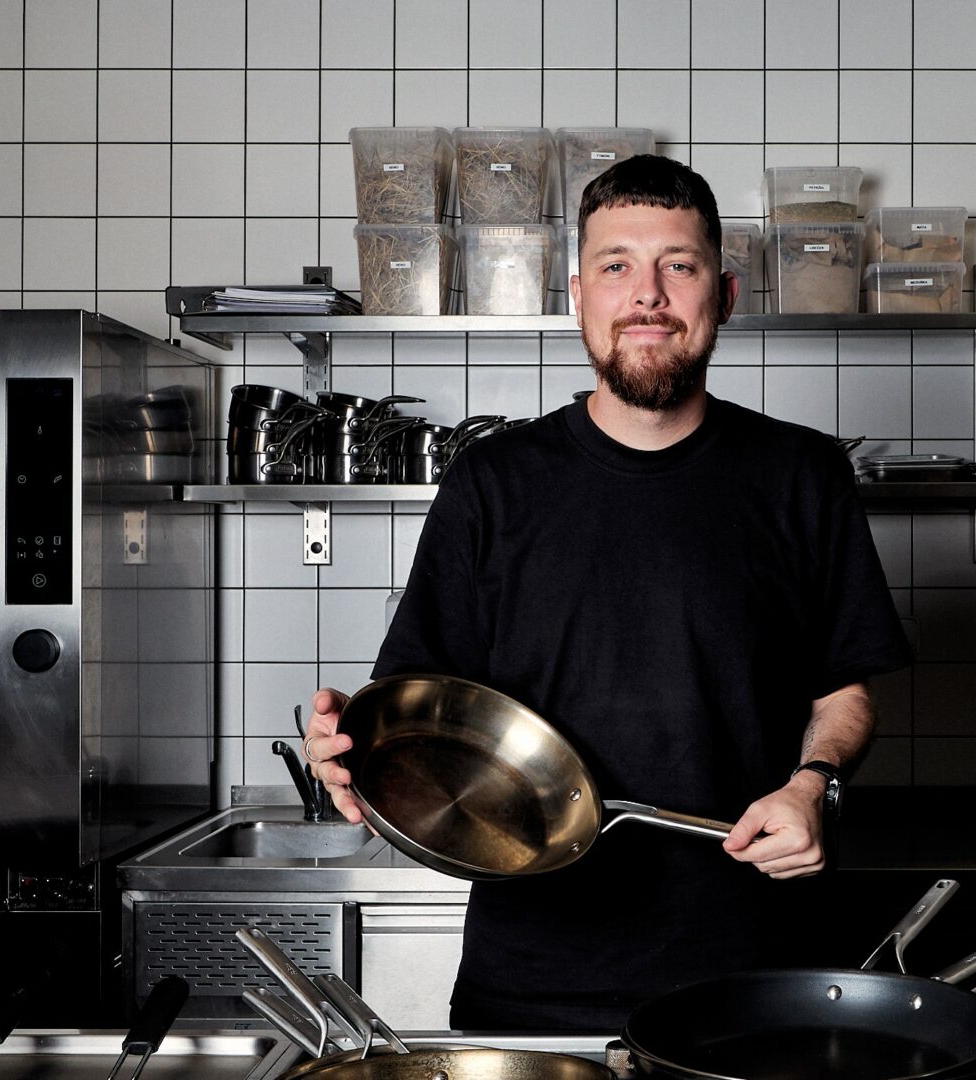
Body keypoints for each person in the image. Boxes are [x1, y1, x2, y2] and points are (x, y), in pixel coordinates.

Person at [302, 155, 912, 1031]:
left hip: (759, 975)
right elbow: (415, 716)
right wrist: (345, 749)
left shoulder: (803, 474)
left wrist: (811, 783)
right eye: (617, 266)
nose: (648, 295)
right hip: (535, 979)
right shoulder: (493, 484)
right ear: (580, 295)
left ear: (724, 294)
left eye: (680, 265)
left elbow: (844, 687)